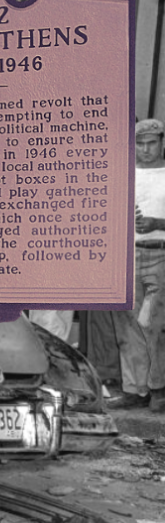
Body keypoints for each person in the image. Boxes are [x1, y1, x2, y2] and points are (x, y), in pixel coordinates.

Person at [108, 118, 165, 411]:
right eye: (139, 144)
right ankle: (134, 389)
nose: (145, 149)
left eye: (151, 143)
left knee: (153, 323)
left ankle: (159, 389)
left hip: (161, 254)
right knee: (128, 324)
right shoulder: (123, 174)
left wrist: (158, 223)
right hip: (128, 255)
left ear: (161, 142)